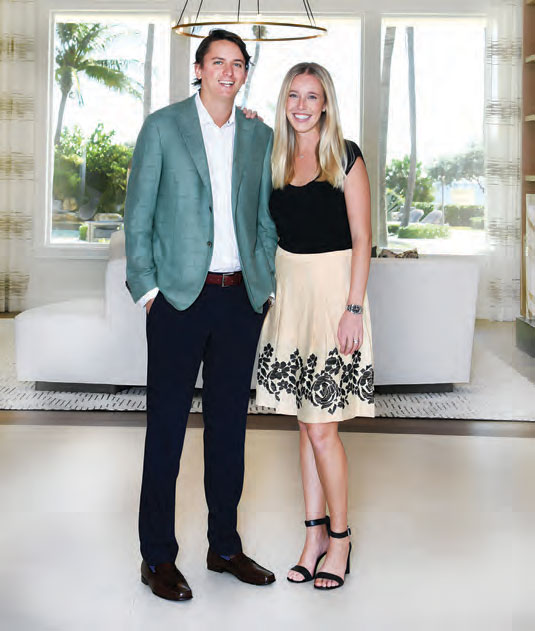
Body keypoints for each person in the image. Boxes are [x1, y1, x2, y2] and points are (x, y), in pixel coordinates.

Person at [125, 29, 278, 601]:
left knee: (229, 430)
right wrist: (148, 289)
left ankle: (225, 548)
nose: (228, 72)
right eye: (218, 61)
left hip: (239, 301)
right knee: (166, 430)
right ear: (198, 68)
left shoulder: (260, 135)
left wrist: (263, 284)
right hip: (177, 302)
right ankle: (157, 557)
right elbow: (138, 212)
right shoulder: (163, 127)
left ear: (245, 73)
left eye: (237, 64)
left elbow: (265, 216)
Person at [256, 62, 374, 591]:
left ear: (326, 103)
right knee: (305, 423)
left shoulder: (345, 156)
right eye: (293, 96)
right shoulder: (275, 157)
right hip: (291, 297)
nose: (301, 106)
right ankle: (313, 537)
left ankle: (341, 538)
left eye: (312, 96)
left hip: (333, 299)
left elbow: (363, 238)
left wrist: (353, 309)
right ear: (284, 102)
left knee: (323, 427)